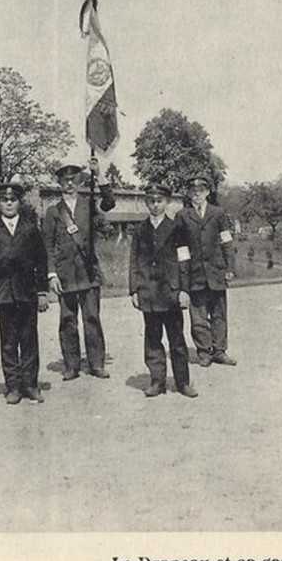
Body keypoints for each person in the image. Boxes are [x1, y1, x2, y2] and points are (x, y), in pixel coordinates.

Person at [43, 156, 115, 381]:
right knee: (67, 321)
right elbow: (47, 245)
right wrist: (51, 274)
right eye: (65, 180)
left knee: (92, 318)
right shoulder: (53, 212)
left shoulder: (88, 205)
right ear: (59, 184)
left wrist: (99, 175)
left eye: (73, 179)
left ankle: (96, 364)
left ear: (80, 182)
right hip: (65, 275)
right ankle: (71, 365)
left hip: (89, 272)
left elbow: (109, 203)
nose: (69, 184)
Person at [0, 181, 49, 405]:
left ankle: (30, 385)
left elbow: (42, 262)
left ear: (19, 203)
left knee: (29, 341)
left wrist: (41, 292)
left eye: (13, 200)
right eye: (4, 200)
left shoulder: (30, 229)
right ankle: (12, 386)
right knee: (8, 342)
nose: (9, 204)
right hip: (4, 296)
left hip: (27, 294)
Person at [129, 184, 197, 398]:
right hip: (148, 293)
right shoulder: (140, 230)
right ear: (146, 202)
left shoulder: (178, 228)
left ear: (167, 202)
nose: (155, 205)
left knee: (176, 340)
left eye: (159, 201)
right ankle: (157, 381)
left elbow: (185, 261)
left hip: (171, 293)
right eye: (151, 201)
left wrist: (184, 290)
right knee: (152, 339)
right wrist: (134, 290)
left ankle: (183, 382)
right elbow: (134, 261)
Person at [175, 173, 237, 367]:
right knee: (198, 316)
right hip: (195, 274)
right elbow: (181, 248)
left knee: (219, 313)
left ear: (207, 192)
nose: (197, 195)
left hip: (217, 273)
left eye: (200, 191)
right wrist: (183, 275)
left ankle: (220, 351)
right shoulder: (182, 216)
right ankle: (204, 352)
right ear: (188, 193)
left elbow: (227, 242)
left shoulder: (218, 213)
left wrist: (229, 268)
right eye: (193, 191)